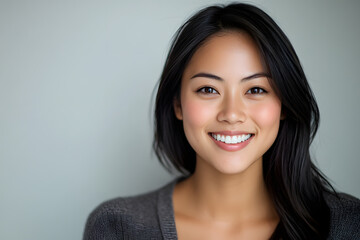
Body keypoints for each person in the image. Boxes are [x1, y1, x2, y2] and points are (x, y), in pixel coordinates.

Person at [83, 3, 360, 239]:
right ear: (178, 104)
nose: (231, 113)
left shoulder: (346, 225)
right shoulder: (117, 226)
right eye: (208, 90)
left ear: (284, 104)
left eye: (256, 90)